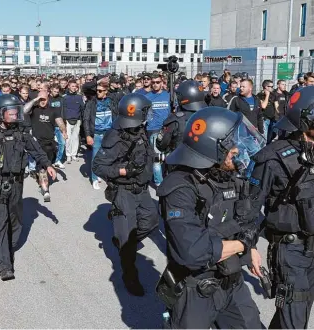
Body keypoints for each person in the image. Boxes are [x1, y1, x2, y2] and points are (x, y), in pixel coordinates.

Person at [156, 106, 265, 329]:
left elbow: (246, 218)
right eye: (232, 147)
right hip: (196, 290)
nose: (238, 150)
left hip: (232, 281)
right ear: (212, 148)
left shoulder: (228, 176)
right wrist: (242, 244)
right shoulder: (179, 188)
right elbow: (193, 252)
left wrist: (251, 247)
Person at [248, 86, 314, 329]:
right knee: (294, 318)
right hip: (289, 250)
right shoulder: (273, 157)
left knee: (299, 311)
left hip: (312, 248)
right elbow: (250, 206)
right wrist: (249, 247)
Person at [0, 94, 56, 281]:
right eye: (12, 112)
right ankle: (4, 266)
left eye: (17, 111)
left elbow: (36, 150)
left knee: (16, 223)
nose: (16, 115)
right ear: (1, 113)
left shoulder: (21, 132)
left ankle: (8, 249)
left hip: (17, 184)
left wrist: (48, 164)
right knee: (0, 225)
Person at [92, 93, 159, 296]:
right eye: (145, 112)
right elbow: (98, 165)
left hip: (142, 189)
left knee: (151, 221)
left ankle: (122, 240)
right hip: (124, 191)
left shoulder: (139, 130)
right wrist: (122, 171)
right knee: (128, 241)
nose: (148, 116)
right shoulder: (115, 136)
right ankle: (130, 276)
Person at [156, 80, 207, 154]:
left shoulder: (176, 120)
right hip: (205, 162)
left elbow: (161, 144)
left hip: (180, 161)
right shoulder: (209, 116)